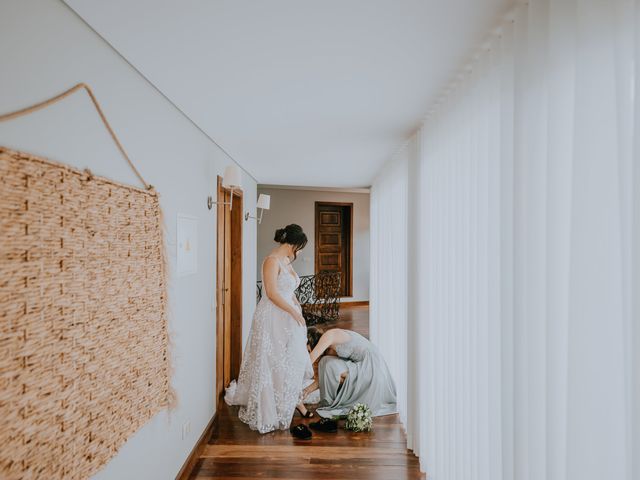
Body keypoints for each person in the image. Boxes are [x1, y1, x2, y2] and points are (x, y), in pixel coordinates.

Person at [225, 224, 314, 436]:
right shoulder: (271, 261)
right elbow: (273, 294)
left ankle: (292, 400)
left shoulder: (286, 261)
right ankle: (272, 406)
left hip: (288, 316)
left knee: (288, 358)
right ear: (293, 243)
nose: (299, 251)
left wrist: (296, 307)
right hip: (273, 316)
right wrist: (293, 313)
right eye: (299, 246)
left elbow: (288, 289)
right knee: (272, 359)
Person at [304, 326, 397, 419]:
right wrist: (306, 391)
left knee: (327, 364)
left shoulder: (329, 336)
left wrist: (294, 376)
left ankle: (336, 400)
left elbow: (309, 361)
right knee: (326, 363)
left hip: (371, 365)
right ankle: (333, 400)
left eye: (308, 350)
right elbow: (325, 376)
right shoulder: (328, 351)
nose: (308, 354)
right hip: (362, 364)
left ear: (312, 342)